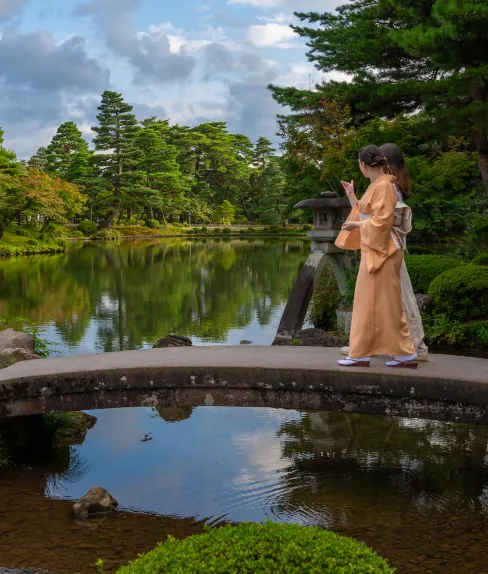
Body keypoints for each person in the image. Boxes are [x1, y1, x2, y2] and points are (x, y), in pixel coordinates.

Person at [339, 143, 428, 361]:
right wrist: (352, 197)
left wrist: (357, 226)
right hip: (381, 248)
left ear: (365, 164)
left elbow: (379, 221)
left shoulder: (387, 187)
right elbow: (367, 213)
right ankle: (379, 349)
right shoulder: (382, 185)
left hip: (386, 249)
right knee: (384, 301)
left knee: (393, 301)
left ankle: (410, 347)